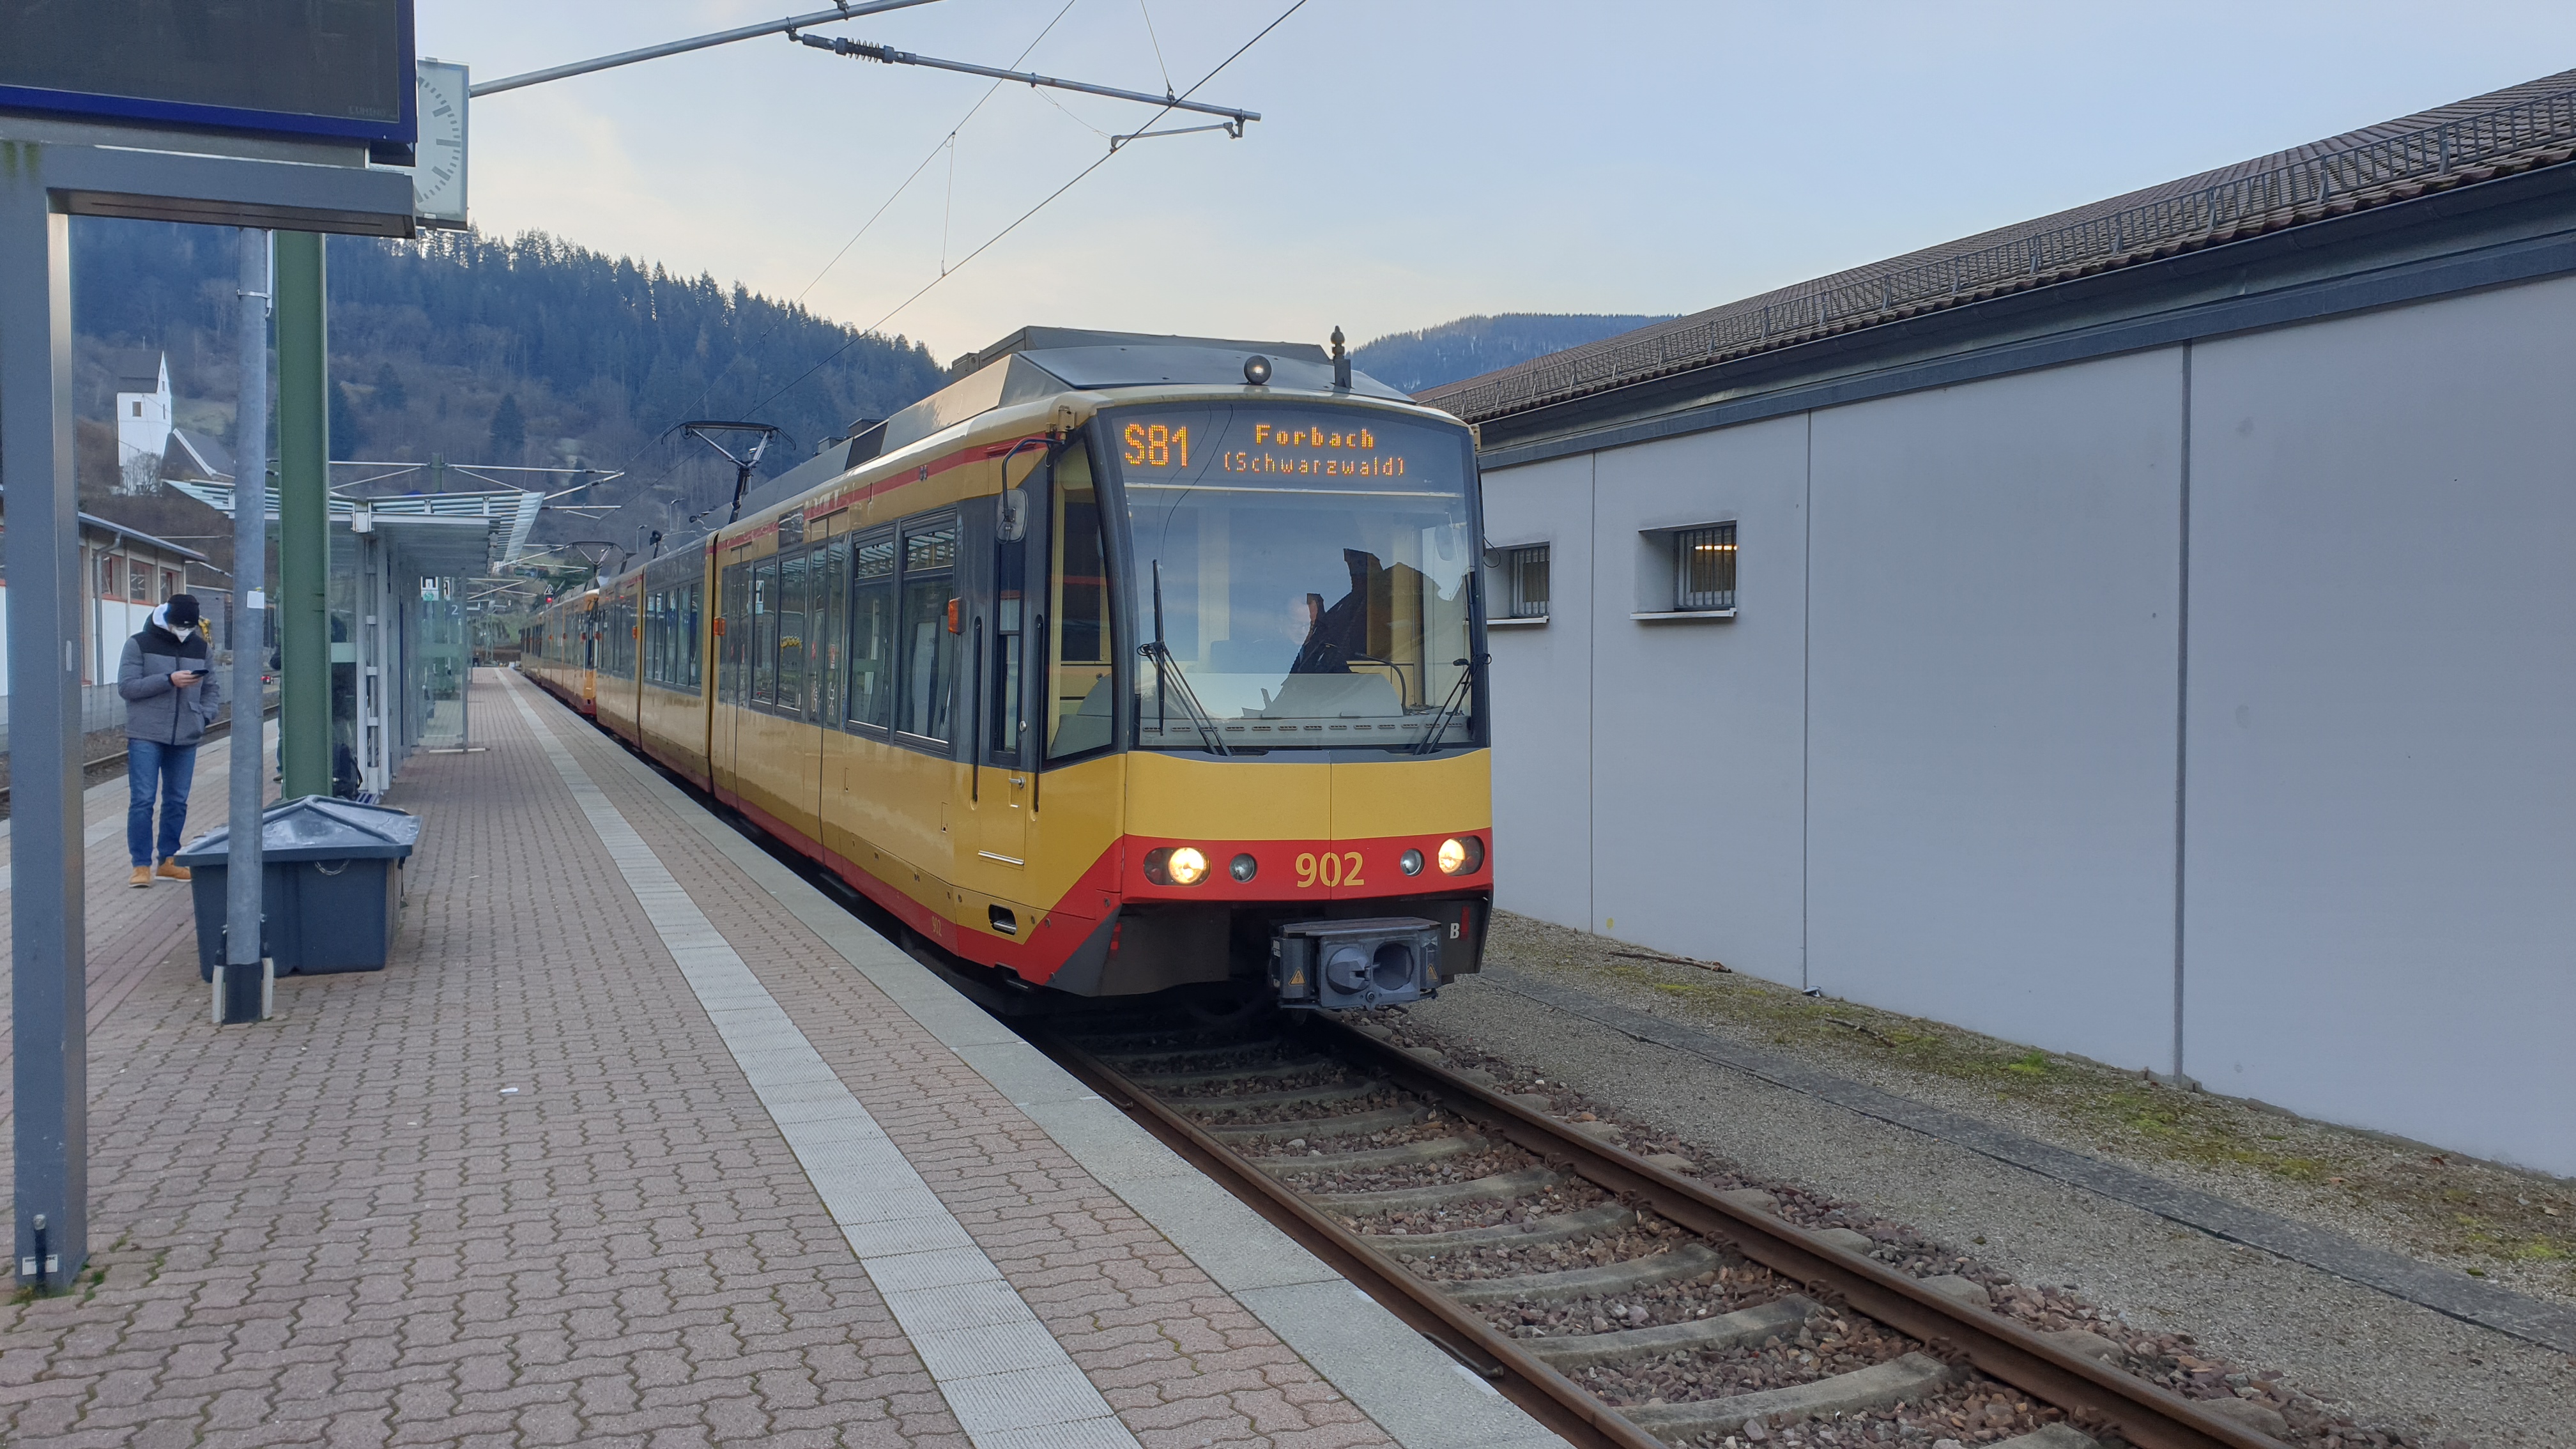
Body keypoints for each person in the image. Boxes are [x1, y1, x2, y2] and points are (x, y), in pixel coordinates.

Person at [118, 593, 223, 888]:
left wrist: (203, 717)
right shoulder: (139, 643)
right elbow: (127, 687)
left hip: (186, 735)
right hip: (146, 734)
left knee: (177, 801)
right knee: (143, 800)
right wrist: (169, 680)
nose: (184, 631)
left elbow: (212, 687)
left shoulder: (200, 647)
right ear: (167, 618)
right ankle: (140, 865)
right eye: (180, 625)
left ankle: (169, 860)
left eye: (190, 626)